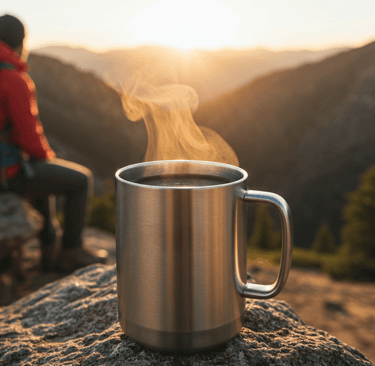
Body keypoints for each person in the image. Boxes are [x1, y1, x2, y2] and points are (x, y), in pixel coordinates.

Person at [0, 14, 108, 272]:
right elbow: (30, 138)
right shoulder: (13, 79)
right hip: (6, 174)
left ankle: (49, 248)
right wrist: (46, 156)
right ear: (20, 44)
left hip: (7, 166)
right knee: (80, 180)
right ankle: (70, 250)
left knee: (39, 172)